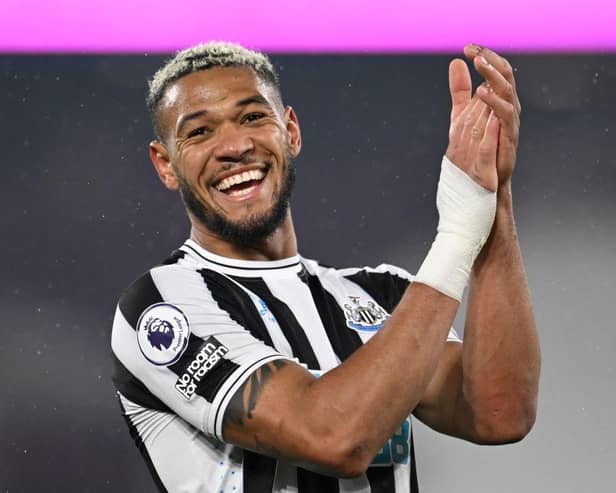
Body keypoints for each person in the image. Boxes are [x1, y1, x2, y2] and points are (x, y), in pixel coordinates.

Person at [111, 41, 540, 493]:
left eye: (253, 117)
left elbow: (500, 413)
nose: (235, 146)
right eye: (199, 132)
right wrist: (455, 238)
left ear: (291, 131)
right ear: (165, 165)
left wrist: (490, 195)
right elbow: (336, 439)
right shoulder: (161, 309)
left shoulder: (384, 296)